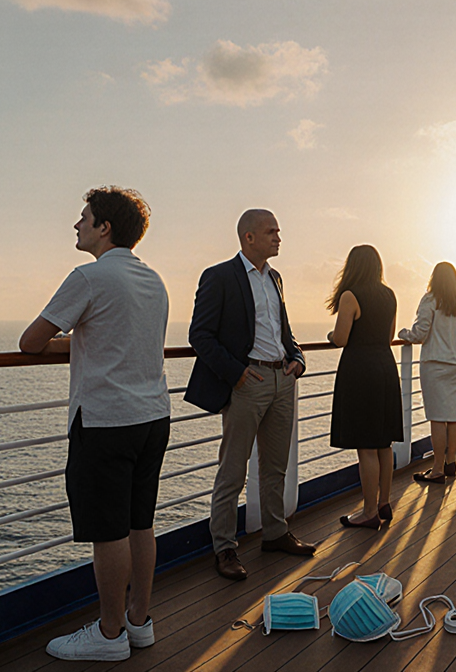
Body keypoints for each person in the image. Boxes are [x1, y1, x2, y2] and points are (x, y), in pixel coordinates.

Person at [21, 187, 170, 661]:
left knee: (109, 532)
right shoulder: (153, 280)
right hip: (153, 415)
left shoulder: (89, 277)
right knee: (140, 523)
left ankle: (109, 636)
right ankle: (138, 622)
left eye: (84, 217)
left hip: (106, 421)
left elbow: (30, 342)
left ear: (104, 227)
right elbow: (120, 338)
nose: (77, 225)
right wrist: (85, 339)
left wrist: (73, 337)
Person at [185, 209, 314, 584]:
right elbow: (200, 335)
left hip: (281, 380)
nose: (279, 237)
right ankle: (224, 547)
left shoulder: (275, 278)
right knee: (232, 470)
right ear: (249, 237)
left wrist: (298, 360)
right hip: (247, 382)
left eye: (279, 231)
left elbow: (283, 332)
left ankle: (275, 533)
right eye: (271, 231)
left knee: (275, 466)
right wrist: (237, 373)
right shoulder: (219, 276)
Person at [327, 245, 404, 527]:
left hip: (360, 371)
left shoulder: (351, 295)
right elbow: (390, 335)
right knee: (383, 442)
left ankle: (369, 512)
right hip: (385, 366)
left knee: (366, 447)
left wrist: (329, 335)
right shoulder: (389, 295)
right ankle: (384, 503)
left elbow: (341, 338)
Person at [400, 262, 456, 485]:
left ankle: (438, 468)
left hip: (435, 364)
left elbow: (421, 332)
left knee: (437, 418)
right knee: (453, 416)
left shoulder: (430, 299)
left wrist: (405, 334)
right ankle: (450, 461)